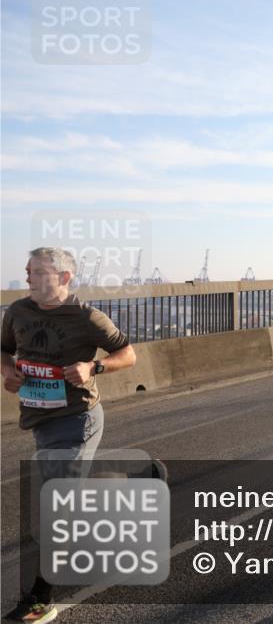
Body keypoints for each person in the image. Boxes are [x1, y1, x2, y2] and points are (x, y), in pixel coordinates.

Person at [2, 247, 137, 623]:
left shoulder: (87, 318)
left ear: (63, 278)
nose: (29, 277)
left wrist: (93, 366)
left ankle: (40, 598)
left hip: (78, 420)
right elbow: (3, 351)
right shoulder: (17, 312)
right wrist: (7, 373)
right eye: (28, 270)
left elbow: (128, 354)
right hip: (38, 421)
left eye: (39, 272)